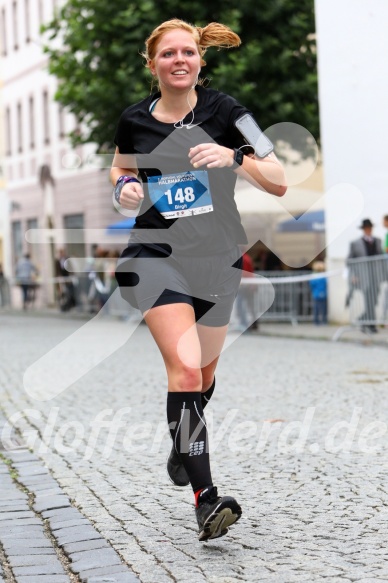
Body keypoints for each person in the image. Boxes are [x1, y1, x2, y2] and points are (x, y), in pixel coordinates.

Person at [111, 19, 286, 542]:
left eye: (189, 51)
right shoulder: (133, 120)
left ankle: (182, 443)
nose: (180, 60)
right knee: (186, 369)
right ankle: (206, 500)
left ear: (201, 61)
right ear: (153, 64)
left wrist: (234, 157)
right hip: (154, 255)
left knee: (202, 380)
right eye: (169, 54)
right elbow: (122, 169)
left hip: (216, 260)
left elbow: (279, 180)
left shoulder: (230, 112)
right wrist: (123, 188)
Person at [347, 218, 383, 333]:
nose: (368, 230)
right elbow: (350, 261)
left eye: (370, 228)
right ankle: (371, 326)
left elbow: (381, 258)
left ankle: (362, 320)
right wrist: (353, 275)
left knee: (374, 301)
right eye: (366, 228)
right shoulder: (355, 244)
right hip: (364, 277)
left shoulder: (378, 241)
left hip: (375, 276)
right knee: (369, 301)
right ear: (363, 229)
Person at [235, 250, 258, 331]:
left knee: (240, 305)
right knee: (250, 306)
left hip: (245, 285)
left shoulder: (242, 259)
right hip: (249, 284)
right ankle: (254, 324)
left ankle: (244, 323)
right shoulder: (247, 258)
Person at [309, 260, 328, 325]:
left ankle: (316, 321)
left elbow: (311, 284)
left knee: (316, 308)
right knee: (323, 308)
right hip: (324, 294)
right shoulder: (324, 276)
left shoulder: (314, 276)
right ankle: (324, 321)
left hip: (316, 294)